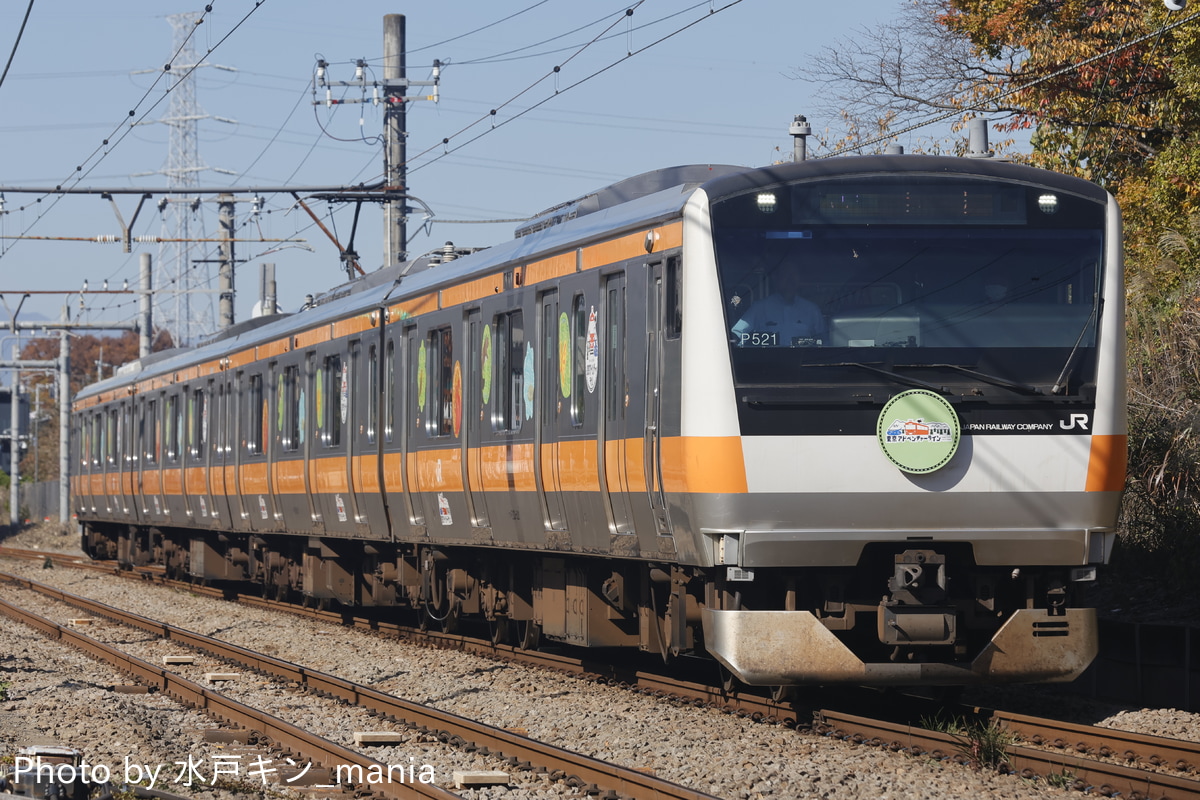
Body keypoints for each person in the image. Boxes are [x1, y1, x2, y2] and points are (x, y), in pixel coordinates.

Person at [731, 267, 825, 346]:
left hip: (804, 365)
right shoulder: (759, 308)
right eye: (786, 274)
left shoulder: (812, 310)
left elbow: (823, 341)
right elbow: (736, 336)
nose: (790, 279)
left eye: (794, 275)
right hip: (767, 365)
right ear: (776, 279)